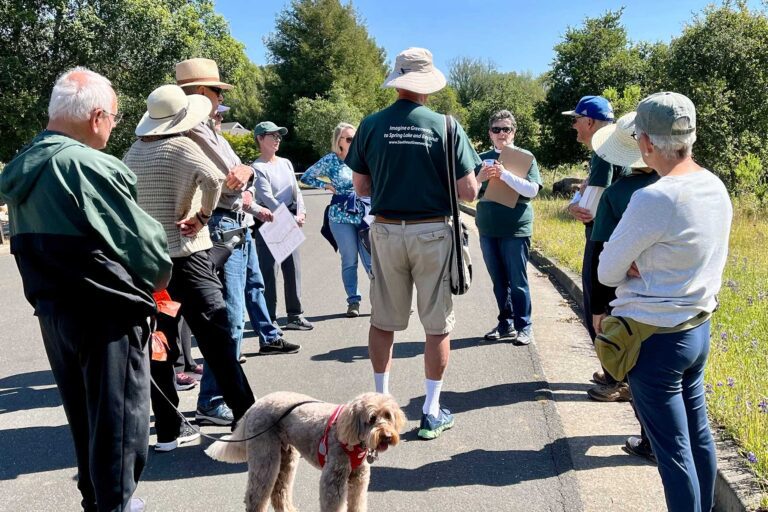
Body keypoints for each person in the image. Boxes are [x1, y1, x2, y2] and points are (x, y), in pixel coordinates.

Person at [0, 67, 172, 512]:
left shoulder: (24, 165)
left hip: (54, 310)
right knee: (119, 426)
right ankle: (114, 504)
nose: (114, 126)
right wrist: (159, 282)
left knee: (84, 418)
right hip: (105, 312)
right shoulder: (85, 165)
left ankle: (96, 501)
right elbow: (147, 249)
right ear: (97, 116)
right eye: (114, 117)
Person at [598, 92, 732, 511]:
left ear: (648, 143)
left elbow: (606, 270)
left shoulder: (654, 197)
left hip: (654, 338)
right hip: (697, 327)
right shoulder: (713, 185)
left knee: (674, 455)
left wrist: (639, 263)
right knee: (698, 436)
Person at [345, 47, 480, 440]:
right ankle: (431, 410)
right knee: (436, 324)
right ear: (427, 85)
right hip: (433, 232)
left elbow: (362, 186)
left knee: (383, 320)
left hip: (386, 231)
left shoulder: (370, 125)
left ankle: (379, 407)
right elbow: (468, 191)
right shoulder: (446, 126)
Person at [123, 84, 257, 441]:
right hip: (190, 257)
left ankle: (168, 429)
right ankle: (247, 422)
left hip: (151, 266)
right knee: (217, 342)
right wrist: (201, 215)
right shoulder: (183, 146)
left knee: (160, 346)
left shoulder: (133, 153)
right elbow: (214, 179)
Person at [176, 58, 298, 424]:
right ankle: (212, 401)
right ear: (200, 94)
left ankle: (214, 397)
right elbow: (228, 179)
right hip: (219, 226)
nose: (219, 101)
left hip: (232, 224)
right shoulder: (191, 132)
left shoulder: (204, 130)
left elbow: (237, 178)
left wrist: (243, 179)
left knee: (232, 314)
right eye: (216, 92)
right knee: (225, 319)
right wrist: (241, 178)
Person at [589, 111, 659, 463]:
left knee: (640, 378)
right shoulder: (682, 184)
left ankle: (650, 441)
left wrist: (597, 308)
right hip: (687, 307)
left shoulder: (618, 194)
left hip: (631, 301)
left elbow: (599, 254)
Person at [562, 95, 629, 402]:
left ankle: (617, 378)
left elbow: (592, 203)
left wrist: (574, 205)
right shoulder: (622, 143)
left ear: (589, 121)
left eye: (576, 119)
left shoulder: (604, 148)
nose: (574, 126)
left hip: (603, 238)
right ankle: (616, 371)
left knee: (599, 308)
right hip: (622, 236)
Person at [475, 110, 542, 345]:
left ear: (514, 132)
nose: (502, 133)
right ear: (490, 133)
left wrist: (505, 175)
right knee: (498, 280)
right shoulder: (480, 158)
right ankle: (506, 323)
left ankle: (525, 326)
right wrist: (480, 177)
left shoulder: (525, 157)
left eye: (506, 129)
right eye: (497, 129)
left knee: (518, 280)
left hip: (516, 228)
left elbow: (533, 190)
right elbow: (466, 192)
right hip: (488, 227)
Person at [300, 122, 372, 318]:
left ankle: (381, 301)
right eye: (349, 139)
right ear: (339, 141)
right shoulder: (331, 160)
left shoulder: (364, 157)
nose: (353, 141)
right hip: (340, 216)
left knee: (372, 259)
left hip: (364, 213)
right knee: (349, 258)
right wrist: (326, 185)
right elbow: (306, 177)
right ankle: (353, 301)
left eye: (355, 138)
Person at [250, 121, 313, 331]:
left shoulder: (286, 162)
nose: (277, 140)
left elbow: (297, 190)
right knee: (269, 271)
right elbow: (267, 197)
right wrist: (290, 218)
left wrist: (301, 211)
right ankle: (270, 319)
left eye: (279, 136)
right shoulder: (257, 167)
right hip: (270, 222)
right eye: (272, 135)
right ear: (260, 138)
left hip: (289, 219)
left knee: (293, 268)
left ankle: (295, 315)